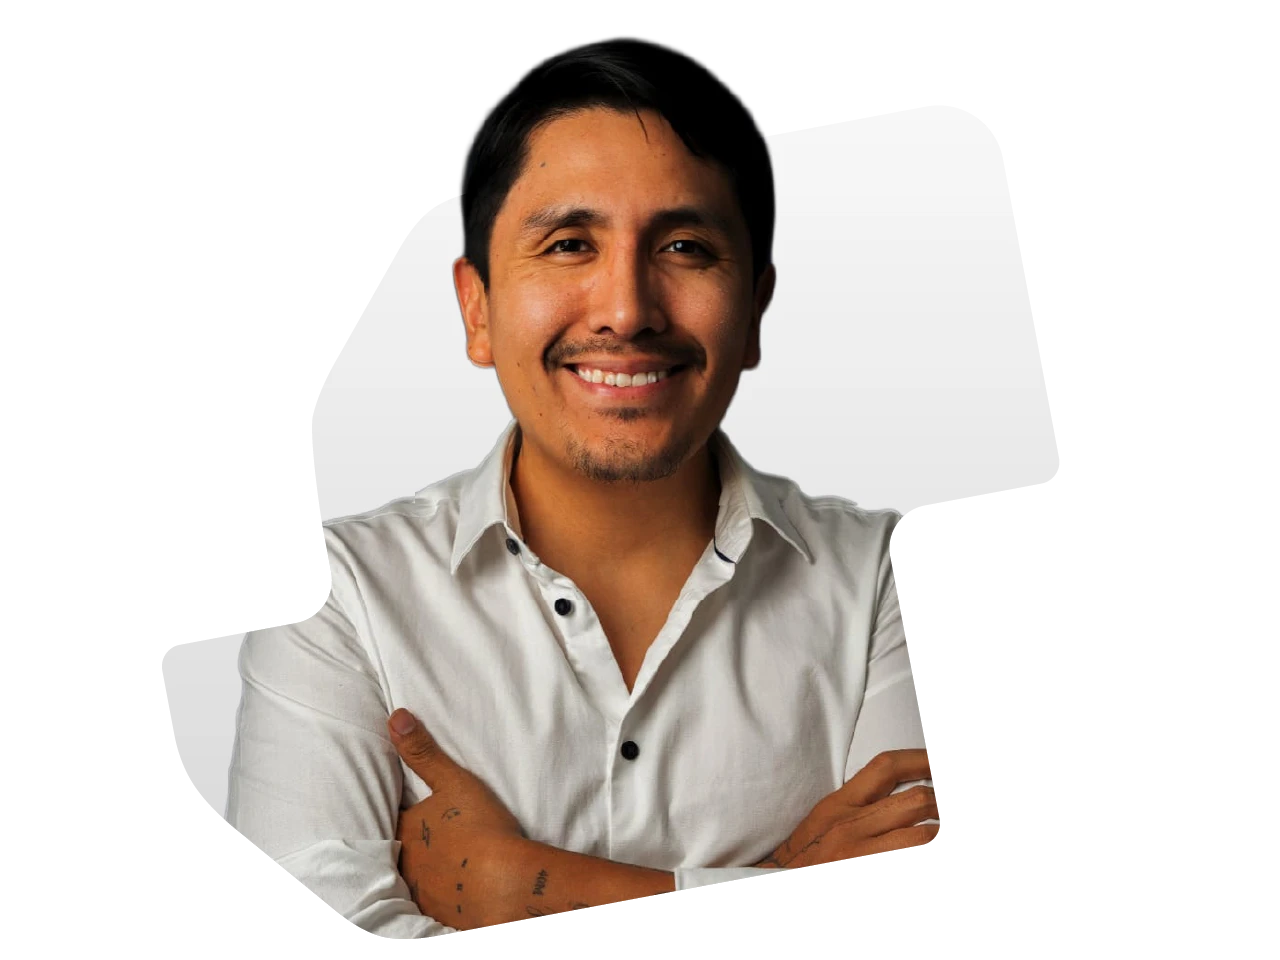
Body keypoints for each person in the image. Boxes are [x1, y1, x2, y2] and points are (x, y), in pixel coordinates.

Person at [225, 39, 938, 942]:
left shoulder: (884, 580)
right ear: (477, 308)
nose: (627, 310)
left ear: (755, 308)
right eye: (569, 245)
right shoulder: (335, 599)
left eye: (684, 246)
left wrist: (526, 891)